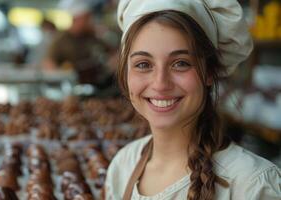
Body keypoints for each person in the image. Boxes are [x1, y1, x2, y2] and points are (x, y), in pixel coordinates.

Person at [105, 0, 281, 199]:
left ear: (209, 72)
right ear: (125, 73)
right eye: (143, 64)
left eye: (180, 63)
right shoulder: (122, 166)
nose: (160, 84)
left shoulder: (253, 185)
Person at [43, 0, 111, 85]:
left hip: (97, 85)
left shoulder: (92, 36)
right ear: (77, 18)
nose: (90, 21)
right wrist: (65, 77)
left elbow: (109, 54)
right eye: (86, 18)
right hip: (73, 87)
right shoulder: (61, 40)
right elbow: (49, 63)